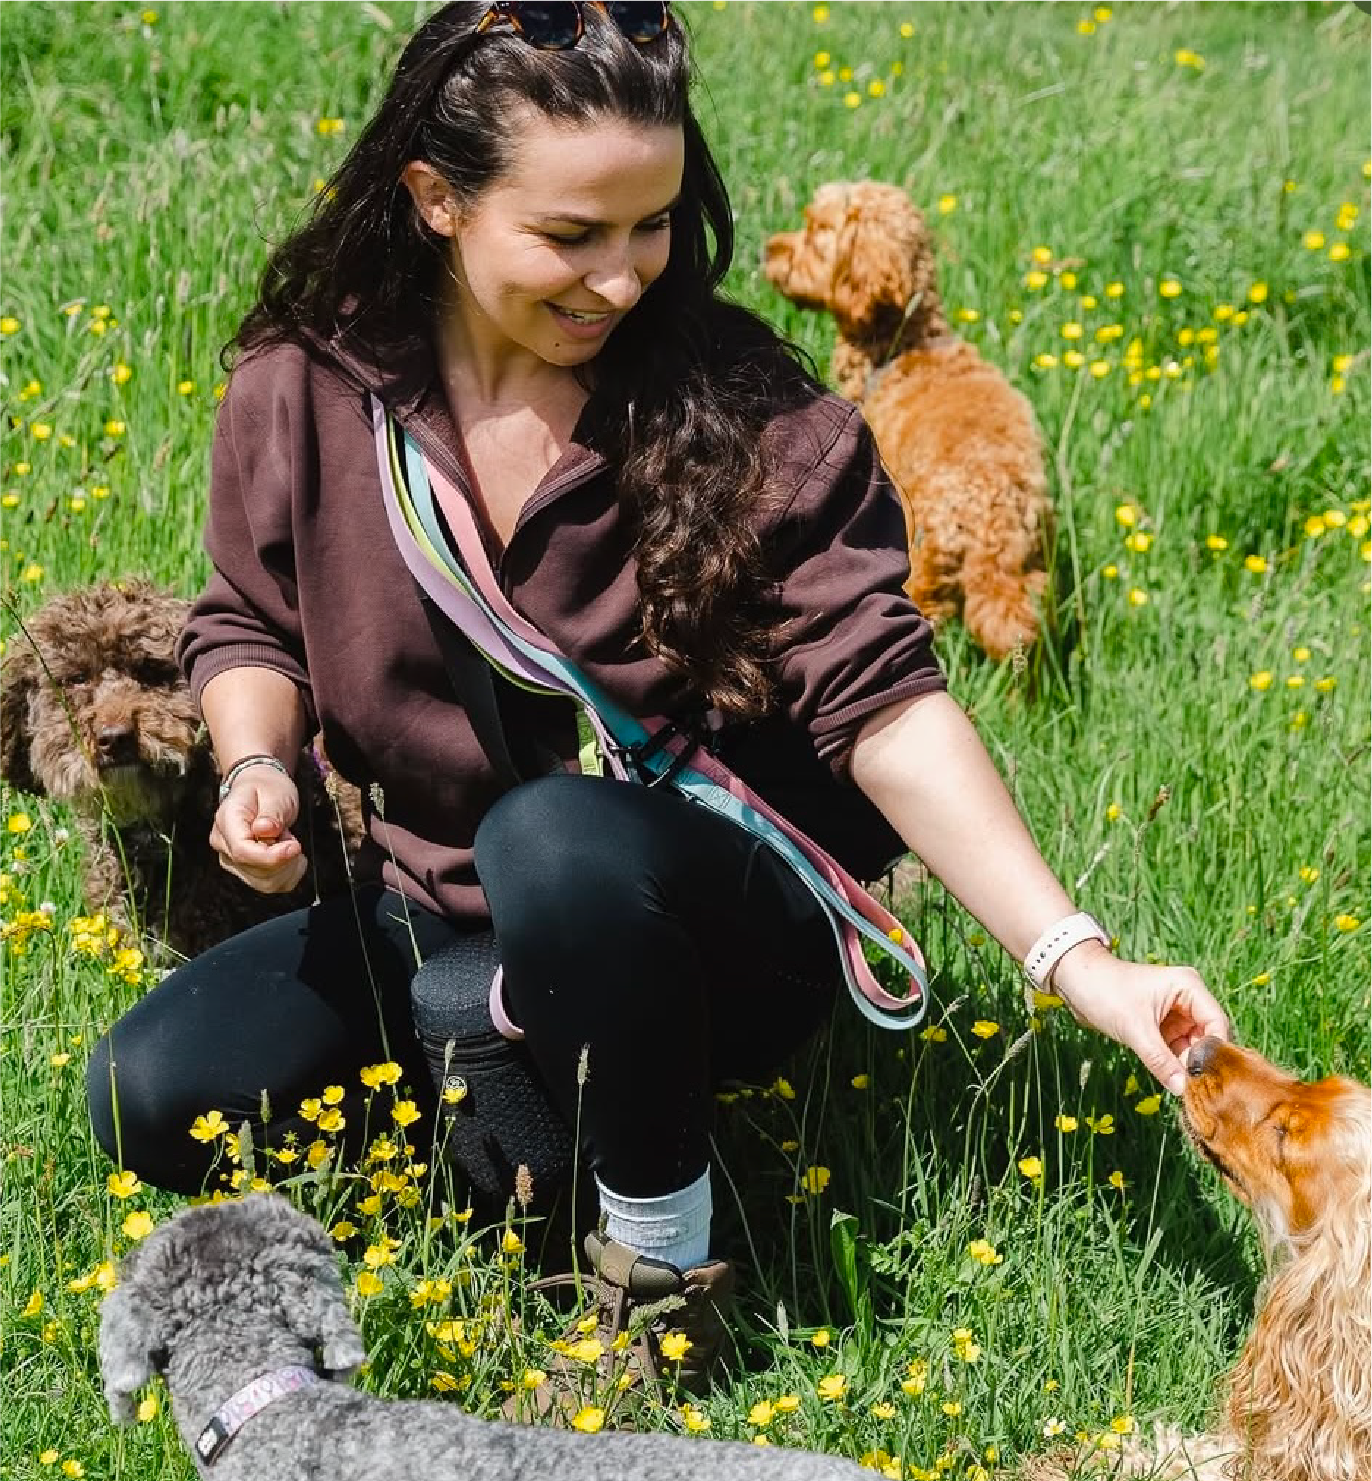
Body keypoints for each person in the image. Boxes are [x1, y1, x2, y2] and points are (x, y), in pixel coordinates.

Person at [86, 0, 1227, 1392]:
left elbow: (886, 704)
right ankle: (501, 1132)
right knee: (149, 1092)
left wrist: (1085, 969)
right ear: (435, 200)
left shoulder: (744, 404)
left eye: (653, 225)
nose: (623, 279)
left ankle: (659, 1277)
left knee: (555, 841)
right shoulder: (310, 386)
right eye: (572, 236)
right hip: (437, 909)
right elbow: (247, 620)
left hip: (709, 926)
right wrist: (258, 763)